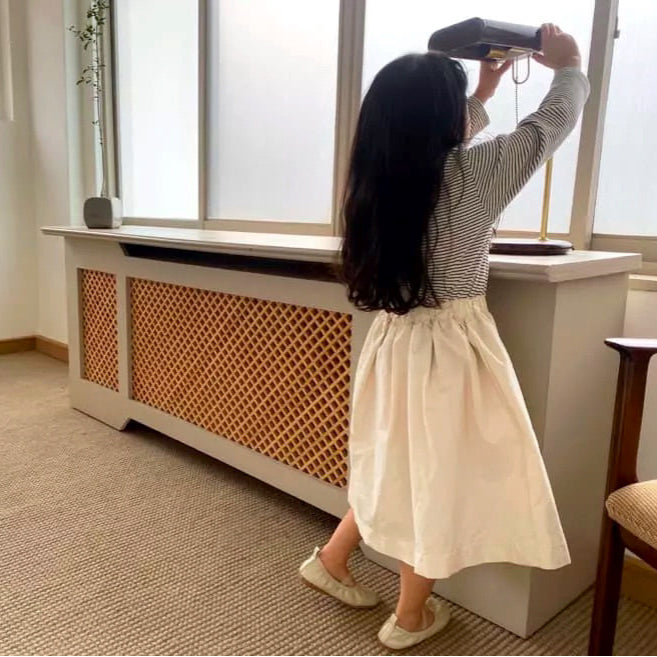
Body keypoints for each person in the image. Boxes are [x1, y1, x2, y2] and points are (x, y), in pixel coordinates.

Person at [299, 24, 590, 650]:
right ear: (440, 122)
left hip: (393, 343)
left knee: (395, 465)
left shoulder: (374, 184)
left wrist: (480, 94)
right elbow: (546, 129)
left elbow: (437, 139)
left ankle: (331, 560)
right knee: (436, 478)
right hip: (450, 350)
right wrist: (569, 67)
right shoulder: (471, 175)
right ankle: (410, 616)